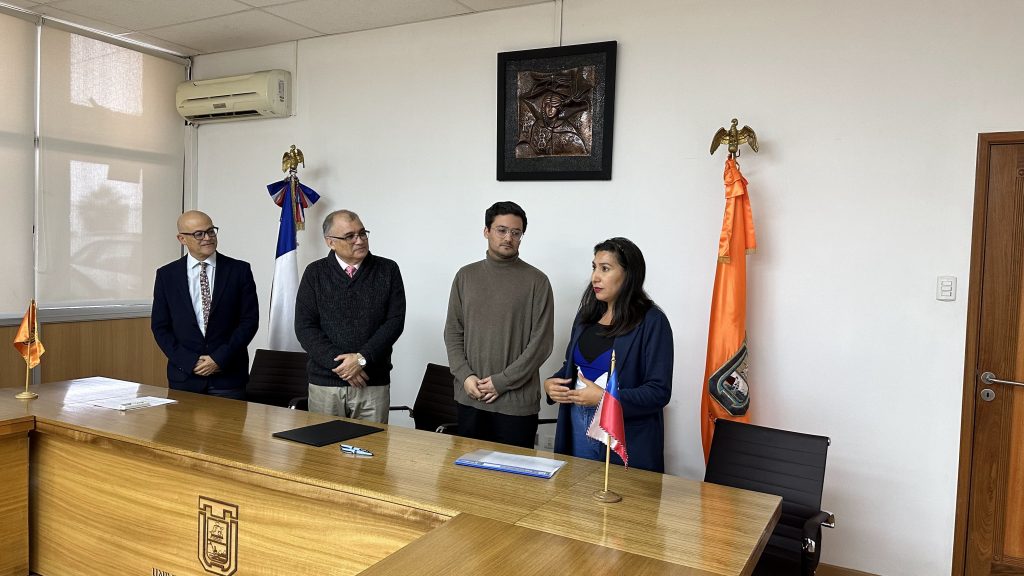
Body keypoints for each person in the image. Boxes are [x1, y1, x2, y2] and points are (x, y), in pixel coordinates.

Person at [543, 237, 673, 472]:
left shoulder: (653, 321)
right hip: (576, 427)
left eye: (605, 269)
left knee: (619, 505)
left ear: (629, 274)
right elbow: (571, 367)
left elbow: (658, 392)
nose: (595, 277)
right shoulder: (586, 316)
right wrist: (552, 384)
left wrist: (606, 400)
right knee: (575, 502)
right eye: (594, 267)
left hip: (623, 436)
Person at [444, 201, 554, 448]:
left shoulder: (538, 281)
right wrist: (465, 376)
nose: (508, 238)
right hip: (469, 396)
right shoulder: (465, 276)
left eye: (516, 233)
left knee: (514, 482)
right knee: (466, 479)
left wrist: (502, 381)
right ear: (486, 231)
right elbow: (453, 332)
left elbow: (542, 343)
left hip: (516, 405)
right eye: (501, 230)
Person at [295, 210, 405, 423]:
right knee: (323, 454)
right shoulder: (315, 273)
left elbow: (394, 322)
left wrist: (362, 359)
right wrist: (344, 367)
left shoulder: (388, 270)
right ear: (330, 242)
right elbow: (305, 327)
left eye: (363, 233)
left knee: (370, 451)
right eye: (350, 236)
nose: (360, 240)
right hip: (326, 384)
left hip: (372, 384)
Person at [151, 210, 259, 399]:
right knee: (182, 430)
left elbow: (249, 321)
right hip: (184, 377)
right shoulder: (167, 275)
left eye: (211, 231)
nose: (208, 238)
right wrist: (189, 361)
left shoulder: (239, 270)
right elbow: (160, 327)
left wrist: (219, 359)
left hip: (229, 377)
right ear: (182, 239)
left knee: (228, 430)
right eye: (199, 234)